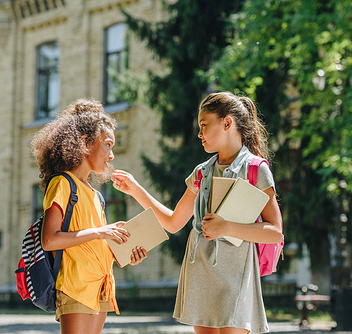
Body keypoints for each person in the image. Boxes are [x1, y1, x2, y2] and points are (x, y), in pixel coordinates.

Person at [112, 92, 283, 334]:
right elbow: (173, 223)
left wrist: (226, 227)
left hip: (237, 275)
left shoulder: (256, 169)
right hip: (200, 270)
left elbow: (275, 232)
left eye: (204, 125)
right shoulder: (201, 172)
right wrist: (136, 190)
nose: (199, 134)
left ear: (227, 123)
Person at [31, 98, 148, 334]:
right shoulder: (62, 183)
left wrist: (125, 254)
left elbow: (92, 245)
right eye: (107, 144)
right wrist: (100, 231)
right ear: (84, 143)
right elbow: (50, 240)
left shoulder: (96, 195)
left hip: (102, 286)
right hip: (76, 285)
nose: (111, 154)